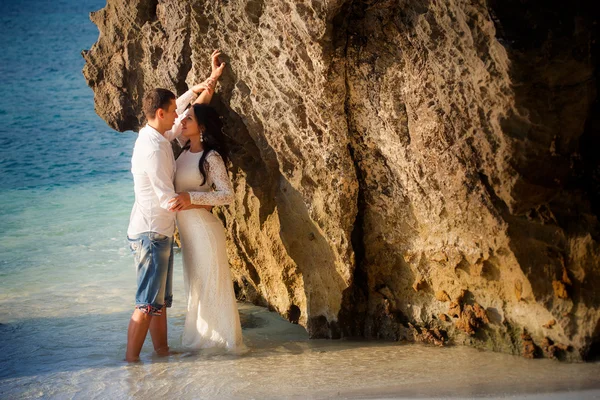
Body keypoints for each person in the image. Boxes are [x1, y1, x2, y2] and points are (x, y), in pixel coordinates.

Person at [125, 51, 225, 362]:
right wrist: (194, 199)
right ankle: (130, 363)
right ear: (159, 113)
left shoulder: (158, 134)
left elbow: (186, 115)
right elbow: (167, 197)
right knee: (146, 303)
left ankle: (162, 352)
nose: (178, 118)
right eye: (172, 112)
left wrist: (203, 87)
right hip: (151, 232)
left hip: (161, 232)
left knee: (159, 302)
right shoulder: (153, 149)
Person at [167, 103, 244, 351]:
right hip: (188, 233)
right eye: (183, 118)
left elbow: (226, 195)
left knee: (212, 286)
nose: (182, 121)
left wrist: (191, 198)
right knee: (196, 287)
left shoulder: (210, 157)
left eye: (188, 119)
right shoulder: (183, 150)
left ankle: (224, 344)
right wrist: (207, 83)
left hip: (204, 230)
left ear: (201, 127)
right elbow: (176, 109)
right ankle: (202, 343)